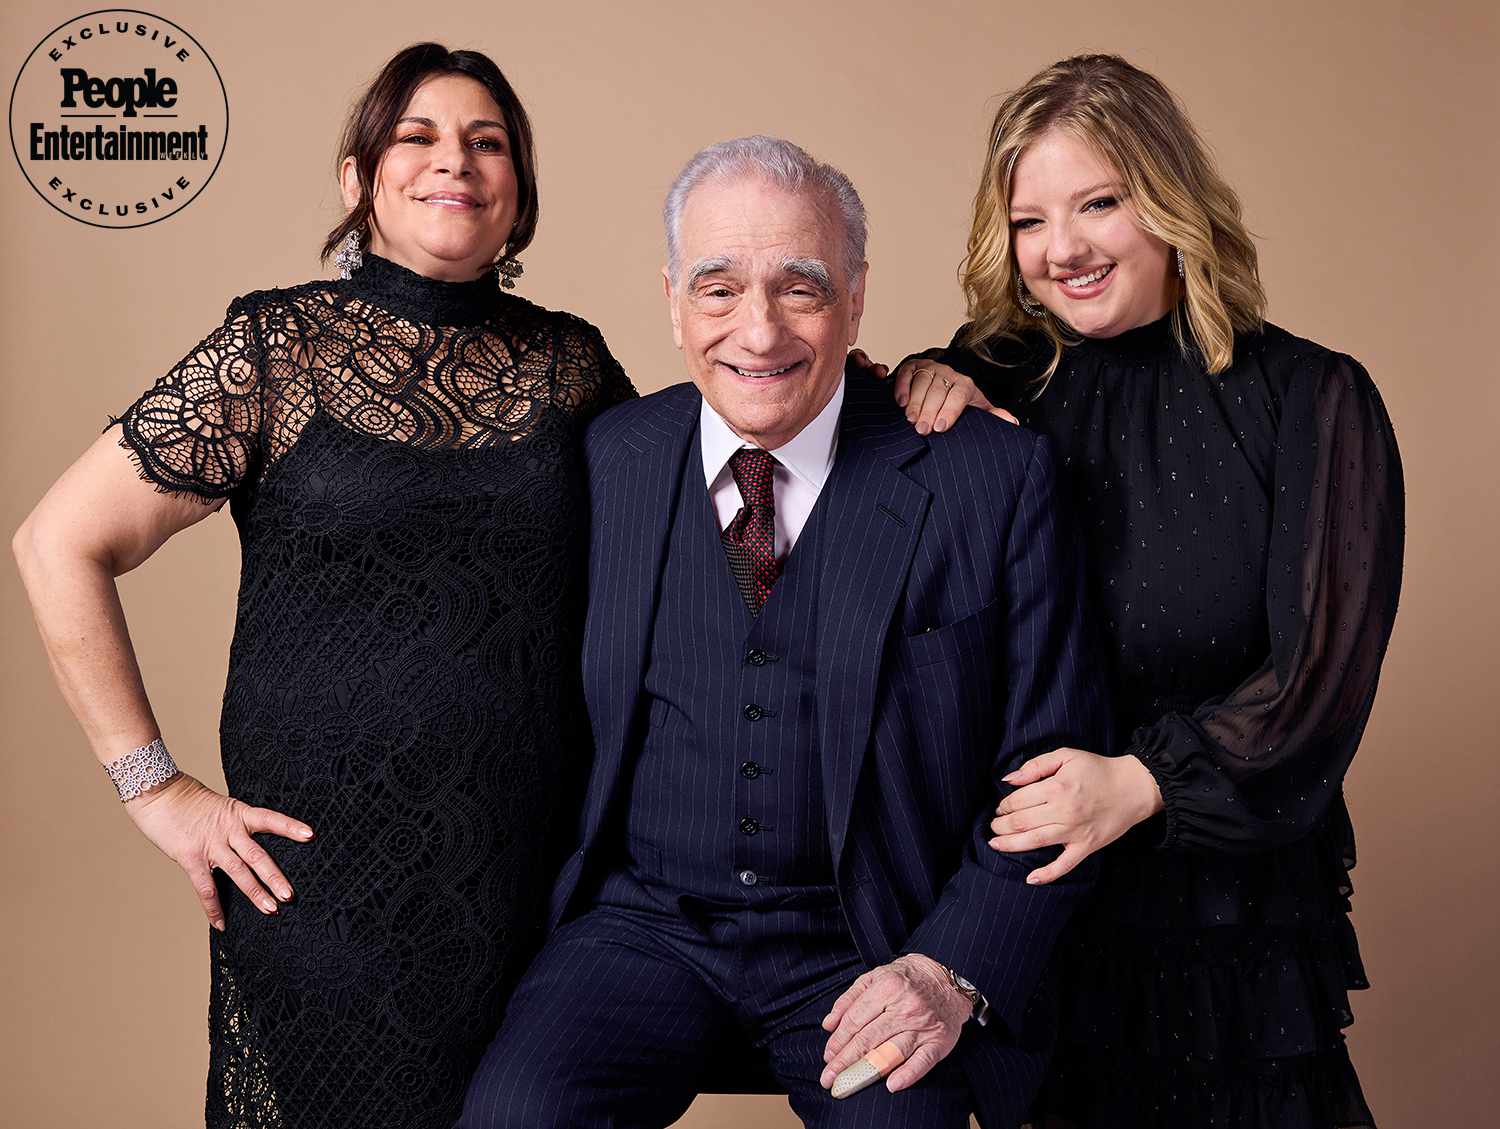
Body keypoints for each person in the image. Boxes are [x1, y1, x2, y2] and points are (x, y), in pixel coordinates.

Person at [12, 43, 636, 1128]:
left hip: (528, 870)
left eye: (489, 144)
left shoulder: (570, 365)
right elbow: (55, 543)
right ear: (359, 180)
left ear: (518, 193)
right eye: (420, 137)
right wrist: (155, 791)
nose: (458, 162)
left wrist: (874, 388)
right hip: (318, 879)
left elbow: (704, 492)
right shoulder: (278, 347)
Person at [459, 135, 1107, 1129]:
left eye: (799, 289)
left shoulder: (992, 476)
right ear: (673, 300)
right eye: (718, 290)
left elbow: (1054, 768)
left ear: (855, 297)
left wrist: (953, 968)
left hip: (875, 939)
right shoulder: (611, 458)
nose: (757, 333)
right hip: (646, 928)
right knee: (514, 1116)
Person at [855, 54, 1404, 1129]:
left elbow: (1319, 682)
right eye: (1029, 219)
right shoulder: (982, 389)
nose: (1063, 248)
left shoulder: (1308, 398)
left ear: (1170, 202)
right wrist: (916, 386)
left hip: (1218, 915)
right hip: (1034, 912)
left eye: (1100, 202)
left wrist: (1141, 783)